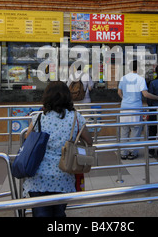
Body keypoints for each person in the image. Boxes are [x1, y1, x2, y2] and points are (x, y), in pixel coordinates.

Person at [22, 81, 93, 217]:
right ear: (67, 97)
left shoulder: (38, 117)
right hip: (63, 175)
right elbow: (89, 141)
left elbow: (27, 139)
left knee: (40, 213)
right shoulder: (76, 118)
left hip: (38, 177)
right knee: (59, 213)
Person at [117, 60, 158, 160]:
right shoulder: (140, 79)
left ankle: (123, 153)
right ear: (138, 68)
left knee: (124, 130)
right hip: (136, 108)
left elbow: (119, 92)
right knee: (135, 130)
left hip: (124, 107)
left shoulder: (123, 78)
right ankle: (132, 153)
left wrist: (125, 99)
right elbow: (145, 94)